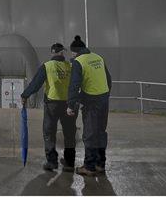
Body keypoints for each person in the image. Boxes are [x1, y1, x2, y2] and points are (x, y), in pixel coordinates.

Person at [21, 43, 77, 172]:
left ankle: (52, 162)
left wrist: (25, 95)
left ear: (52, 52)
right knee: (69, 133)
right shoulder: (70, 66)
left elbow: (36, 84)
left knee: (49, 133)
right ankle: (69, 162)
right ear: (62, 53)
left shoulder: (47, 66)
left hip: (53, 105)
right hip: (68, 104)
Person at [67, 35, 112, 176]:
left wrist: (70, 105)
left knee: (90, 134)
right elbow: (108, 79)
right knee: (100, 132)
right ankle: (100, 164)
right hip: (104, 99)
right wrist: (105, 95)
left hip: (92, 102)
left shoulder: (78, 62)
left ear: (74, 52)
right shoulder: (98, 57)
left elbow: (74, 85)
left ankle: (89, 167)